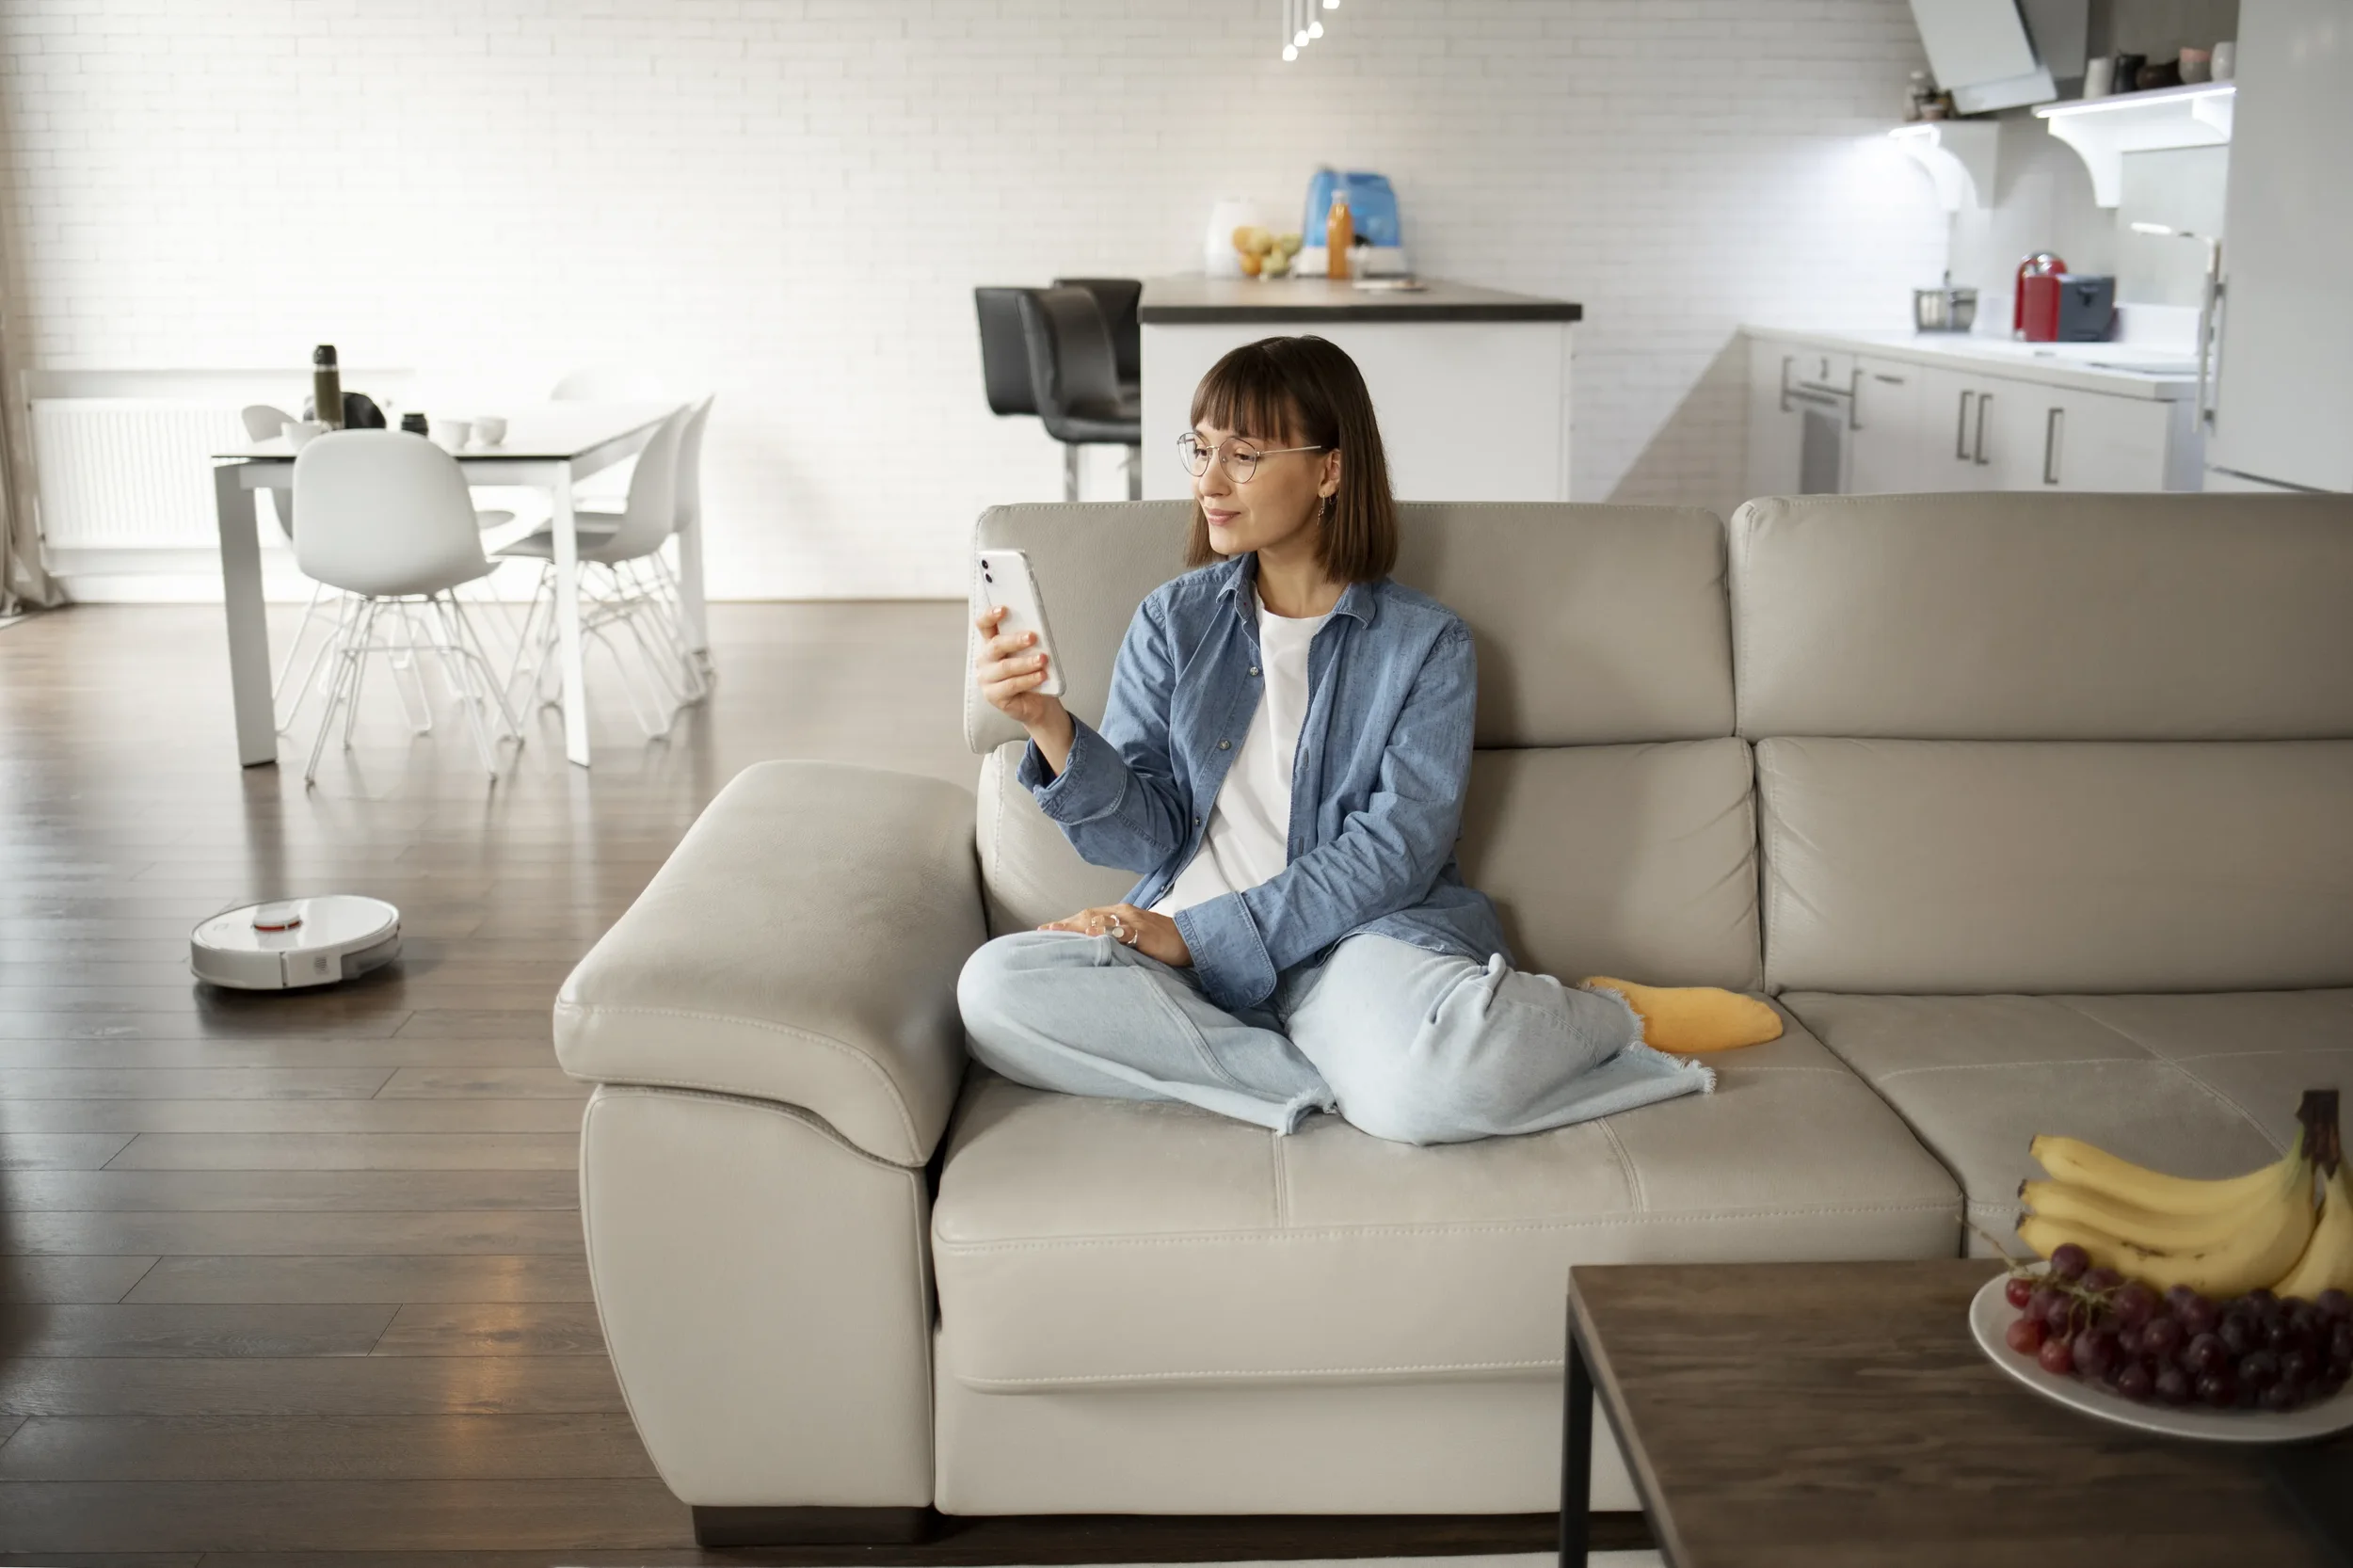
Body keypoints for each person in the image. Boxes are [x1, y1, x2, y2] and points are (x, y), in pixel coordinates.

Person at [958, 335, 1714, 1145]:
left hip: (1352, 949)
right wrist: (1049, 724)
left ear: (1329, 469)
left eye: (1243, 455)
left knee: (1437, 1086)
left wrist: (1201, 937)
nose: (1209, 483)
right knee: (994, 991)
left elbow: (1398, 848)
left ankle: (1606, 1016)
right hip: (1184, 965)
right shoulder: (1172, 622)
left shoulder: (1427, 645)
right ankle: (1345, 1076)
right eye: (1203, 450)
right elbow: (1142, 834)